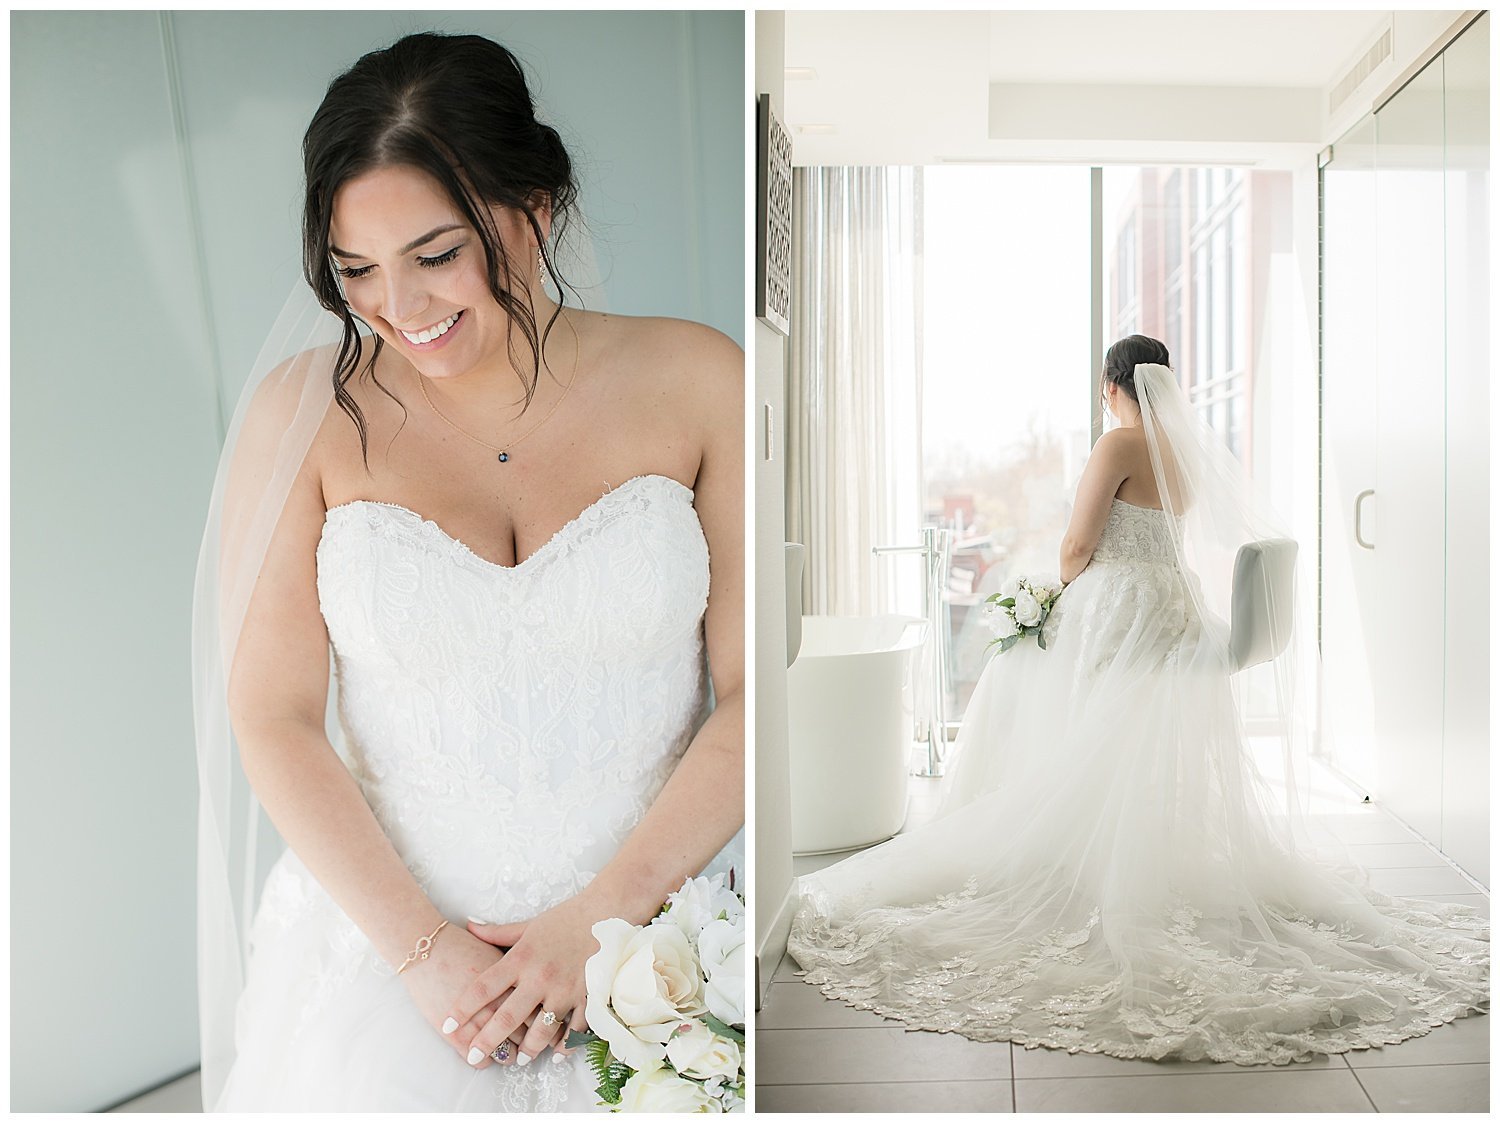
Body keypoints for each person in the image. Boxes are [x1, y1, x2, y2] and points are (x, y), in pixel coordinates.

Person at [191, 32, 744, 1111]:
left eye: (436, 254)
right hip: (390, 963)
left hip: (652, 953)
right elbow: (272, 714)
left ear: (535, 206)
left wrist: (611, 915)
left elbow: (758, 693)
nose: (400, 307)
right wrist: (424, 951)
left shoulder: (698, 378)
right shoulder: (300, 420)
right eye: (357, 271)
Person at [789, 335, 1487, 1065]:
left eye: (1102, 385)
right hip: (1171, 607)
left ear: (1112, 383)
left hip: (1119, 605)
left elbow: (1076, 545)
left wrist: (1051, 593)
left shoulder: (1118, 444)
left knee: (1011, 672)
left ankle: (1040, 837)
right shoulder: (1183, 454)